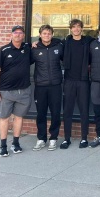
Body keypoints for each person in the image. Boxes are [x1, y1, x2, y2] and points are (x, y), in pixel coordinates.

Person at [0, 25, 32, 157]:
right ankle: (3, 146)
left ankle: (16, 143)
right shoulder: (4, 50)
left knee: (19, 118)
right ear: (11, 35)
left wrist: (36, 43)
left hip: (23, 91)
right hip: (6, 91)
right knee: (4, 118)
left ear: (23, 36)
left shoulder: (27, 48)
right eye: (16, 32)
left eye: (21, 33)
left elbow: (38, 45)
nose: (18, 35)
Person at [60, 18, 93, 149]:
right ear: (71, 29)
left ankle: (84, 138)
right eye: (74, 27)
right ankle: (66, 138)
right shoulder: (65, 42)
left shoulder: (88, 41)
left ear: (82, 28)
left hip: (83, 80)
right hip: (69, 80)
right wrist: (36, 43)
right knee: (67, 110)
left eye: (78, 26)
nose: (76, 29)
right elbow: (50, 43)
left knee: (84, 110)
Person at [31, 24, 64, 152]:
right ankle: (41, 138)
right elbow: (23, 61)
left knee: (56, 113)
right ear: (40, 35)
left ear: (52, 35)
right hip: (40, 86)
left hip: (55, 85)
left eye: (49, 33)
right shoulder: (34, 48)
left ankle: (53, 138)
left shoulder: (58, 46)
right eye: (44, 33)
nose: (47, 35)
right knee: (41, 113)